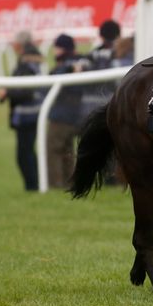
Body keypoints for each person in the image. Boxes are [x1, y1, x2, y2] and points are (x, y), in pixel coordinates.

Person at [0, 31, 45, 191]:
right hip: (33, 114)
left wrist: (7, 93)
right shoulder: (33, 61)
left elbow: (26, 91)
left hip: (27, 115)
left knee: (24, 155)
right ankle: (36, 184)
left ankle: (33, 187)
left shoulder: (26, 64)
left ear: (20, 44)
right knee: (28, 153)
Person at [47, 33, 88, 189]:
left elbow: (52, 78)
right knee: (68, 153)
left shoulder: (64, 66)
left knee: (54, 152)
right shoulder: (82, 62)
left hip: (61, 116)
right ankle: (71, 184)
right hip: (79, 115)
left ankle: (56, 185)